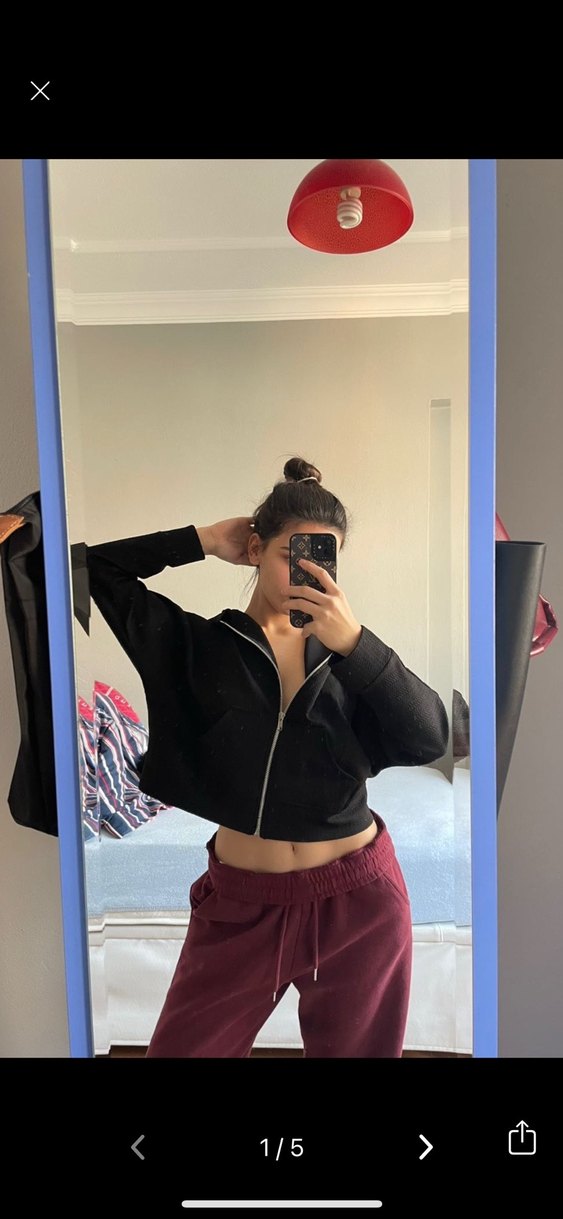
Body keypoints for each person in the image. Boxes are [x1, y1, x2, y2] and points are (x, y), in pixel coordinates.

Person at [83, 456, 449, 1057]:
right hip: (241, 904)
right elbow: (92, 568)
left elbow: (430, 735)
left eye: (325, 559)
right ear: (254, 549)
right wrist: (203, 539)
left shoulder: (349, 660)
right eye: (291, 555)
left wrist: (357, 643)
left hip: (358, 901)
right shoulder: (199, 647)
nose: (309, 573)